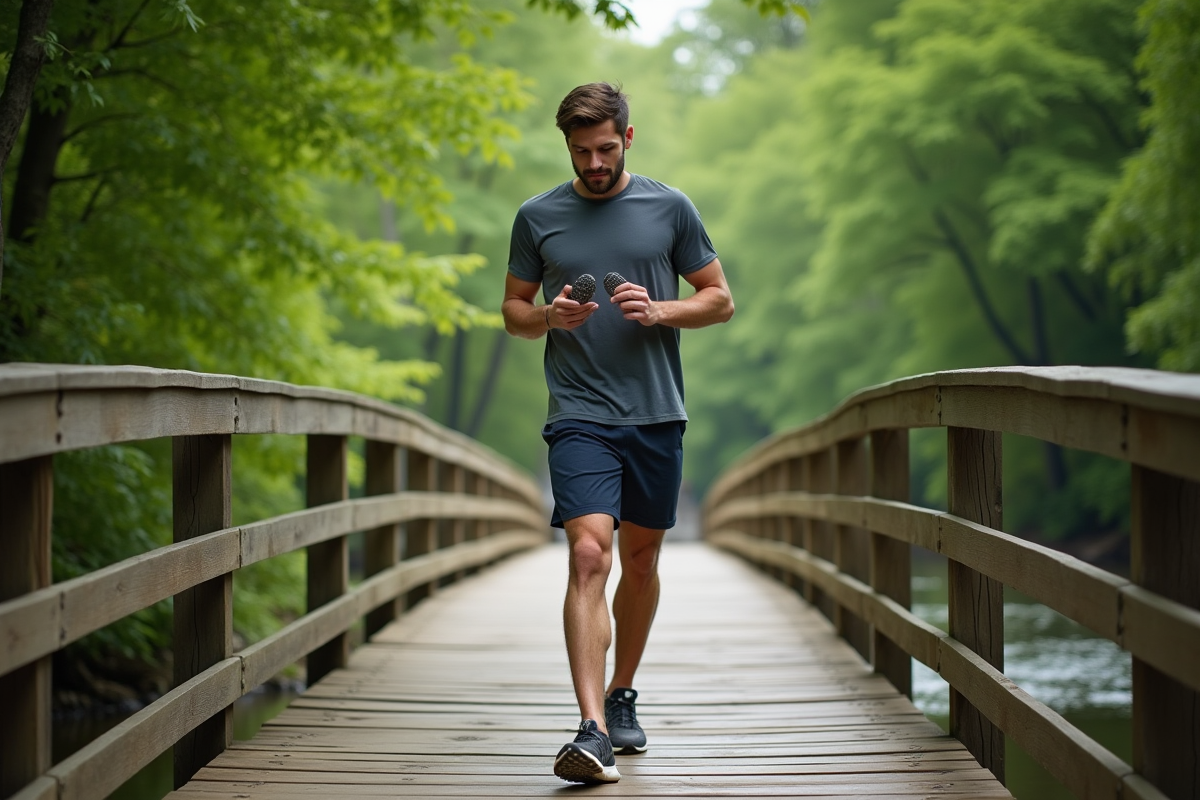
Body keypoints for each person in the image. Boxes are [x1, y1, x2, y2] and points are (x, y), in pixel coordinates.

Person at [501, 82, 734, 784]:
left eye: (605, 149)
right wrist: (549, 318)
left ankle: (623, 690)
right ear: (566, 146)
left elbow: (719, 300)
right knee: (590, 556)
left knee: (640, 561)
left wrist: (661, 310)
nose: (594, 162)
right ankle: (592, 726)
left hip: (657, 413)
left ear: (628, 138)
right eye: (580, 152)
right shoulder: (537, 216)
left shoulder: (670, 207)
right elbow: (512, 310)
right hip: (578, 413)